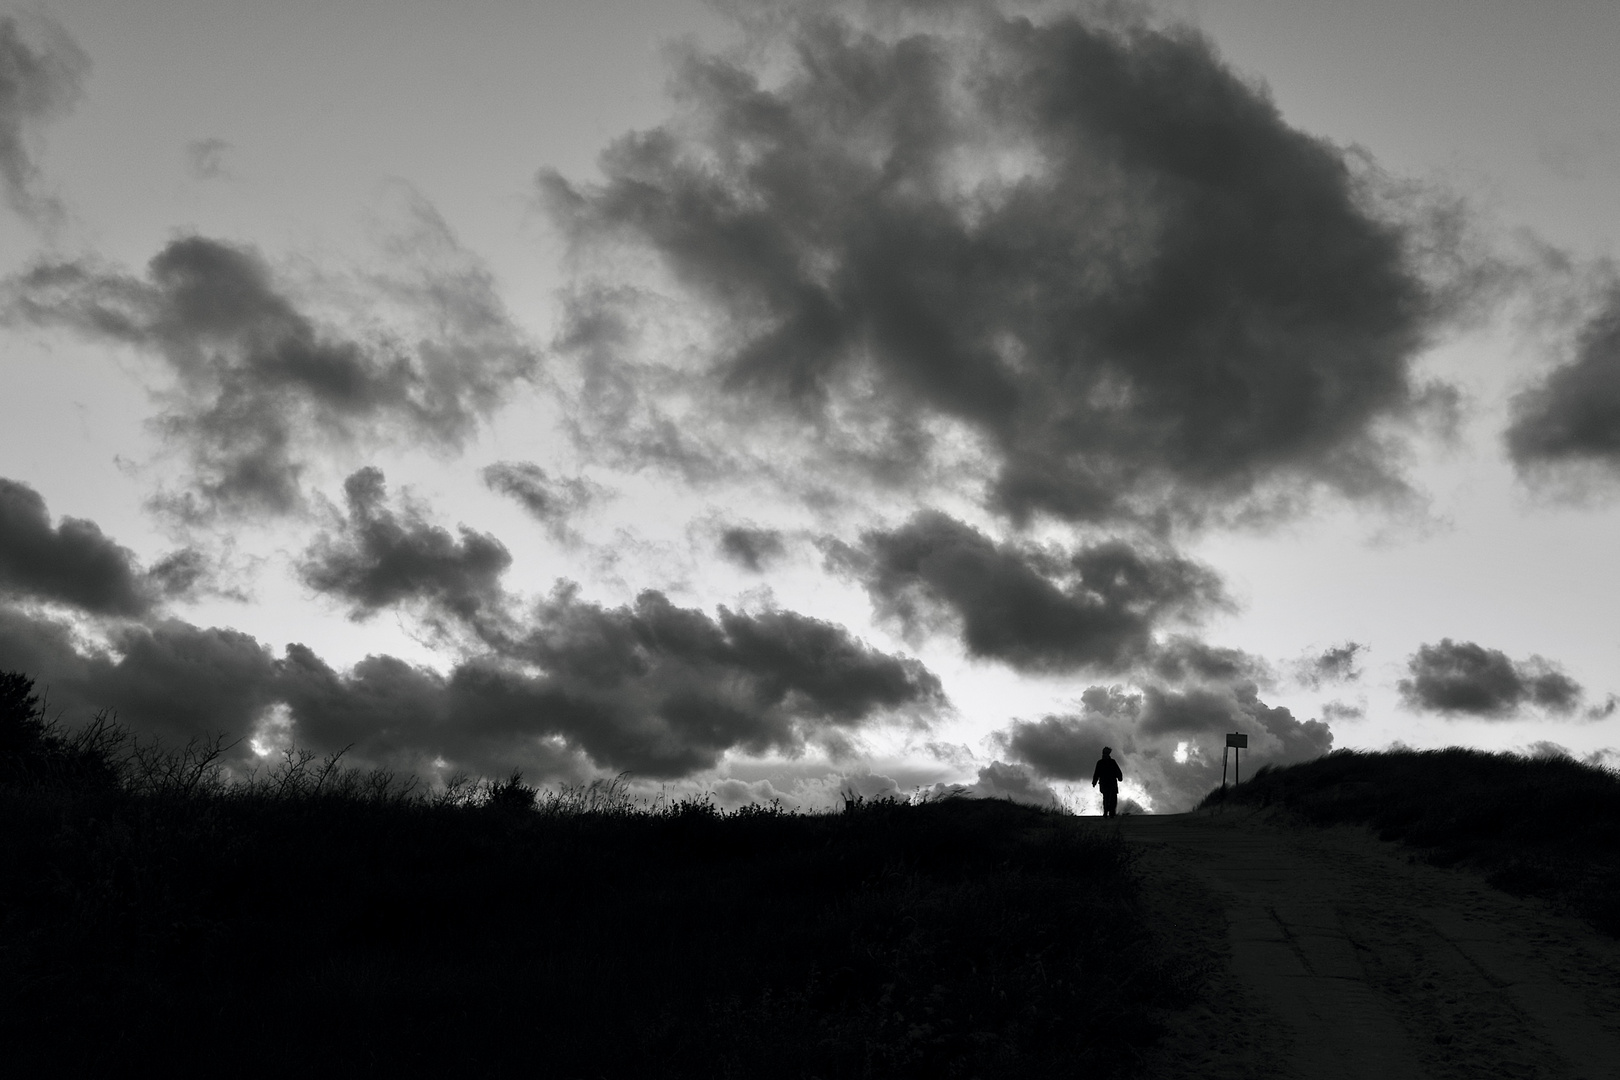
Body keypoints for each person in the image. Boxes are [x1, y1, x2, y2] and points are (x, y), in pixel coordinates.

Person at [1092, 746, 1124, 818]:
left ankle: (1111, 812)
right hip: (1106, 783)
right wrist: (1094, 782)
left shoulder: (1111, 762)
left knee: (1112, 798)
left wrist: (1119, 777)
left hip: (1111, 783)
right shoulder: (1101, 763)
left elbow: (1117, 771)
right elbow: (1096, 773)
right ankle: (1107, 812)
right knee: (1107, 798)